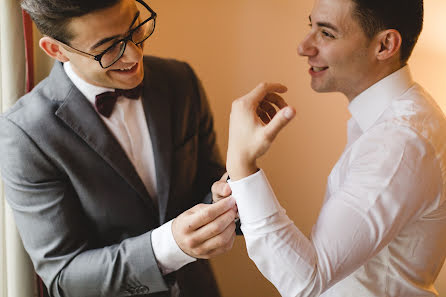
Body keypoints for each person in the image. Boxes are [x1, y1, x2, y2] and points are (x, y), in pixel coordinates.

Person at [0, 0, 238, 296]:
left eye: (135, 27)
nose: (135, 53)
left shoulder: (180, 80)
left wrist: (240, 168)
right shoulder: (25, 134)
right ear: (56, 50)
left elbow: (208, 186)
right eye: (108, 47)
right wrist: (169, 247)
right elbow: (65, 277)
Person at [213, 0, 446, 296]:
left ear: (385, 45)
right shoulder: (389, 122)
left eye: (326, 33)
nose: (303, 47)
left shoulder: (398, 142)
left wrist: (242, 163)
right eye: (311, 26)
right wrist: (243, 193)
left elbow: (307, 280)